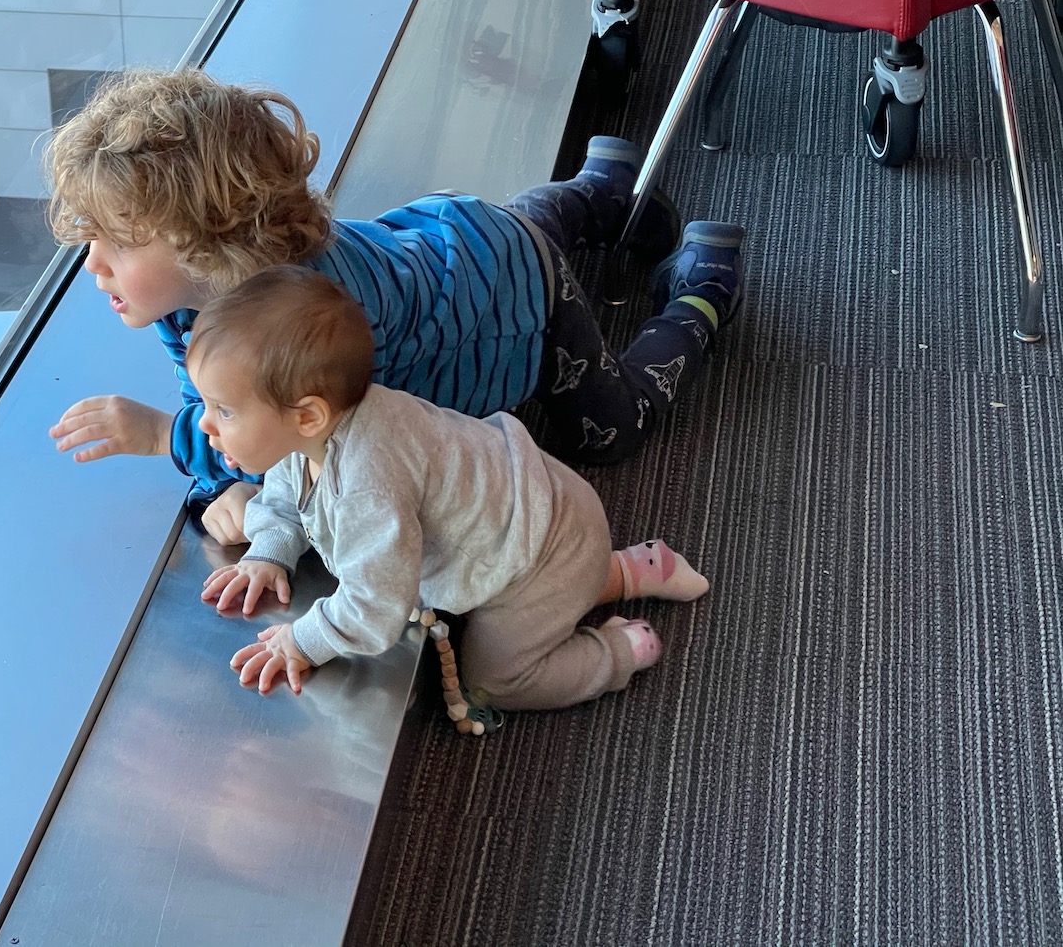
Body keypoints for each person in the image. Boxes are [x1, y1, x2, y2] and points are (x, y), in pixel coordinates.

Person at [45, 67, 746, 545]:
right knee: (520, 229)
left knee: (608, 429)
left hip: (520, 300)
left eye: (121, 242)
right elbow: (222, 409)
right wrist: (213, 484)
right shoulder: (185, 299)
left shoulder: (305, 321)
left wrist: (165, 438)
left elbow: (292, 445)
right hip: (462, 234)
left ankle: (700, 296)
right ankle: (601, 186)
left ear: (208, 241)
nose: (93, 263)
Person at [188, 266, 708, 704]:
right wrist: (270, 550)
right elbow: (286, 485)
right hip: (543, 511)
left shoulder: (369, 484)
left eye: (224, 410)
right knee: (554, 587)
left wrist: (302, 641)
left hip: (538, 554)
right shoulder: (318, 427)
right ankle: (633, 569)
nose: (205, 424)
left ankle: (621, 651)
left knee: (494, 682)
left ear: (307, 416)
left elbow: (375, 608)